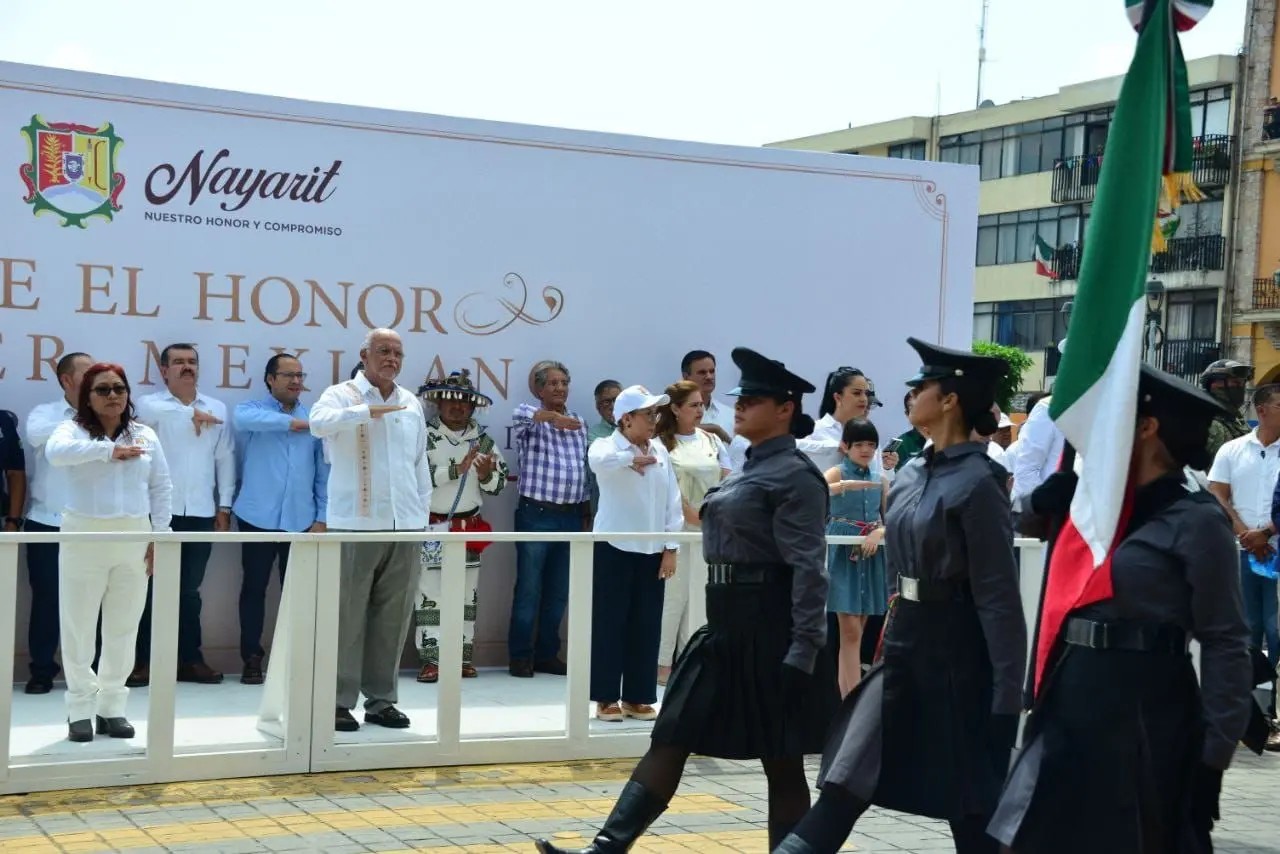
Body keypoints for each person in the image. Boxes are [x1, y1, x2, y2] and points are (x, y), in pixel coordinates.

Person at [535, 347, 837, 853]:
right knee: (670, 736)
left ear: (785, 409)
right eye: (739, 398)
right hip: (725, 627)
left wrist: (804, 648)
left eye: (754, 400)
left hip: (772, 630)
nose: (739, 407)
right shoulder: (746, 465)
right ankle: (605, 849)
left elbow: (810, 568)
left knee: (782, 762)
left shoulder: (795, 476)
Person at [989, 365, 1254, 852]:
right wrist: (1040, 502)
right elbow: (1027, 522)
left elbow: (1226, 638)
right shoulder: (1096, 507)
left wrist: (1212, 757)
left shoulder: (1196, 520)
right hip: (1072, 693)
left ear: (1148, 428)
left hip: (1146, 707)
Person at [775, 338, 1024, 854]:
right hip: (906, 644)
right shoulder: (910, 472)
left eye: (923, 386)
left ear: (951, 399)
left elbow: (998, 595)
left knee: (972, 808)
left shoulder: (981, 483)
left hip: (959, 655)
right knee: (845, 780)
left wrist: (1007, 694)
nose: (911, 395)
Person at [311, 328, 431, 732]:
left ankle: (381, 700)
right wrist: (364, 412)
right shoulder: (341, 394)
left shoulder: (411, 401)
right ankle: (338, 701)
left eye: (397, 352)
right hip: (356, 524)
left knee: (394, 617)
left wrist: (422, 517)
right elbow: (317, 424)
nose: (391, 358)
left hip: (405, 524)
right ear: (364, 355)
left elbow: (419, 465)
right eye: (383, 350)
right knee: (347, 615)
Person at [45, 363, 172, 743]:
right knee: (79, 626)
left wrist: (159, 536)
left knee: (123, 627)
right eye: (102, 390)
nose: (113, 395)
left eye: (119, 388)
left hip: (134, 535)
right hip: (84, 534)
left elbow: (161, 487)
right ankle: (80, 708)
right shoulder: (72, 430)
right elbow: (56, 453)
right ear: (87, 396)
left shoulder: (145, 435)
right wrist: (108, 451)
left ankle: (112, 707)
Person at [131, 343, 234, 686]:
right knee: (147, 589)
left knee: (189, 591)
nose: (186, 367)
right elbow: (143, 428)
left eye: (192, 361)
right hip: (156, 513)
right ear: (163, 371)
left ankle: (189, 660)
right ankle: (140, 661)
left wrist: (225, 505)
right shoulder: (150, 406)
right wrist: (189, 414)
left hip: (202, 512)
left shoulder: (216, 408)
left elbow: (226, 457)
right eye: (178, 363)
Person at [231, 353, 329, 685]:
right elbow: (243, 421)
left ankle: (293, 659)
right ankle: (252, 658)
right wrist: (294, 425)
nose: (296, 381)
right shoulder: (253, 410)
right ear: (270, 379)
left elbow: (322, 473)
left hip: (301, 519)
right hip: (256, 516)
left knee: (297, 593)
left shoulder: (316, 418)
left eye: (300, 375)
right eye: (288, 375)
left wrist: (323, 516)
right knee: (254, 589)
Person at [587, 385, 682, 721]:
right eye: (647, 414)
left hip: (653, 548)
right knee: (609, 622)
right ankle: (605, 697)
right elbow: (596, 461)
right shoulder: (607, 445)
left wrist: (671, 546)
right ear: (626, 419)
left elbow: (672, 499)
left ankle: (638, 696)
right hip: (614, 545)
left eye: (656, 413)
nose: (654, 420)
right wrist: (629, 458)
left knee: (646, 623)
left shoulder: (659, 448)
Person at [414, 369, 508, 683]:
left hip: (468, 526)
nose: (458, 408)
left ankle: (462, 658)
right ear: (438, 403)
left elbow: (498, 486)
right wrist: (457, 469)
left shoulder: (483, 440)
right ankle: (432, 660)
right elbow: (417, 480)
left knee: (467, 596)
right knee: (430, 594)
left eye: (465, 403)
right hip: (434, 526)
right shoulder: (424, 436)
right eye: (451, 402)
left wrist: (484, 475)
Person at [1208, 384, 1280, 742]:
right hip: (1242, 551)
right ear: (1264, 409)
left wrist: (1265, 533)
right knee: (1247, 630)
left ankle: (1273, 711)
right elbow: (1217, 493)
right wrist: (1243, 533)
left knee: (1277, 630)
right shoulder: (1232, 449)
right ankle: (1249, 714)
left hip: (1275, 550)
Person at [508, 360, 588, 678]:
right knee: (529, 588)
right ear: (540, 389)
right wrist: (553, 418)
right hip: (536, 515)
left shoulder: (579, 421)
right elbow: (519, 416)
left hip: (570, 516)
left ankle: (546, 654)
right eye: (553, 383)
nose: (560, 388)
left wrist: (585, 512)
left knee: (558, 590)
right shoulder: (531, 417)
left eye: (564, 383)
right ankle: (520, 656)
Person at [23, 351, 93, 694]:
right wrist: (87, 418)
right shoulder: (44, 415)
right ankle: (41, 670)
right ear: (66, 380)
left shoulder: (111, 415)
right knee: (47, 598)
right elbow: (38, 436)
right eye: (87, 373)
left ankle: (88, 673)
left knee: (92, 598)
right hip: (46, 522)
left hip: (92, 525)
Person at [653, 379, 730, 684]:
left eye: (701, 404)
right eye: (693, 405)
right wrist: (689, 514)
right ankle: (661, 665)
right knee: (672, 598)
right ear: (675, 409)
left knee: (700, 597)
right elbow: (665, 487)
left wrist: (712, 514)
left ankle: (690, 663)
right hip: (674, 528)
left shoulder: (712, 441)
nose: (700, 410)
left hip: (708, 528)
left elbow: (727, 479)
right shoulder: (661, 444)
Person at [822, 418, 888, 697]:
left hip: (871, 555)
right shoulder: (836, 473)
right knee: (848, 631)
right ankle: (851, 698)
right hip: (842, 554)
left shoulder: (880, 479)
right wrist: (844, 486)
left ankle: (847, 697)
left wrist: (878, 532)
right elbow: (816, 493)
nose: (865, 450)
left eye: (870, 445)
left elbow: (891, 517)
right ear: (845, 445)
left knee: (858, 630)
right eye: (859, 444)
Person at [798, 367, 899, 478]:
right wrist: (834, 448)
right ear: (838, 397)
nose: (864, 399)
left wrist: (887, 469)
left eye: (865, 393)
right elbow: (793, 448)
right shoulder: (815, 429)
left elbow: (879, 480)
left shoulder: (868, 433)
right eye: (857, 393)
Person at [681, 349, 748, 472]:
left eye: (712, 371)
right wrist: (713, 429)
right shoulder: (674, 415)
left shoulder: (731, 415)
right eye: (702, 372)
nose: (709, 376)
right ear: (686, 377)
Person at [1201, 358, 1254, 463]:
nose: (1240, 387)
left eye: (1242, 384)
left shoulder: (1236, 421)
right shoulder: (1208, 423)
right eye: (1235, 383)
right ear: (1214, 385)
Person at [586, 380, 621, 516]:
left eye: (617, 400)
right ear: (598, 407)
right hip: (605, 511)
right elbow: (607, 463)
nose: (613, 406)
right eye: (607, 402)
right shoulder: (593, 434)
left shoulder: (640, 429)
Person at [891, 391, 928, 471]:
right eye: (914, 409)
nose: (920, 414)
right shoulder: (897, 444)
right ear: (907, 414)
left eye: (923, 407)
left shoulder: (947, 438)